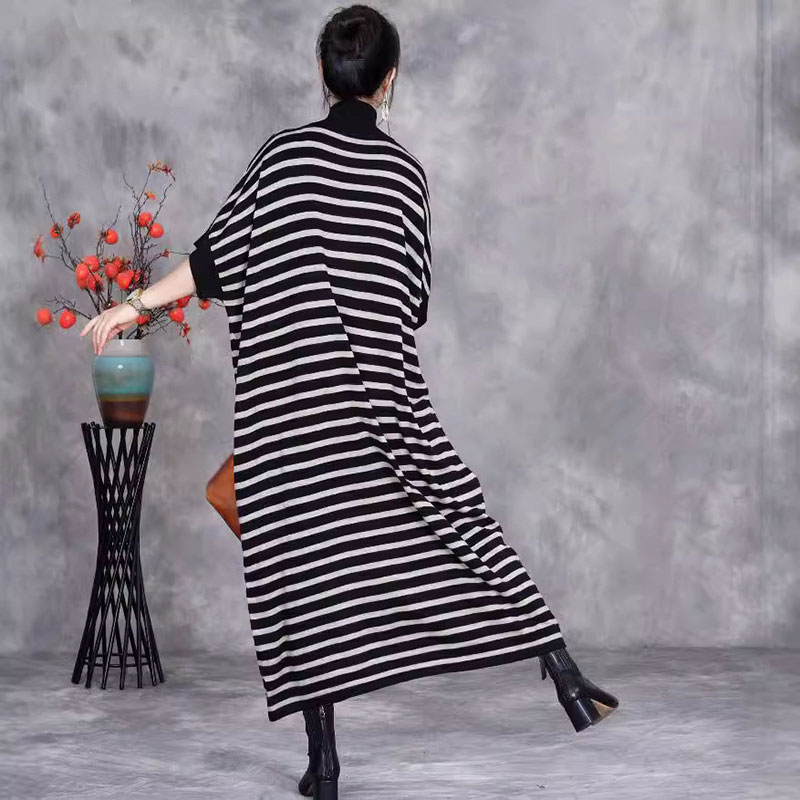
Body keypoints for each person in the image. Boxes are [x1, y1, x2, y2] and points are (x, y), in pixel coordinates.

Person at [81, 5, 619, 798]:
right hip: (380, 402)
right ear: (388, 81)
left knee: (301, 566)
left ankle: (325, 764)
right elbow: (412, 302)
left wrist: (133, 306)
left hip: (291, 414)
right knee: (455, 518)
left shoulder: (284, 158)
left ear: (321, 74)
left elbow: (213, 262)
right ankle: (564, 671)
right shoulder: (405, 176)